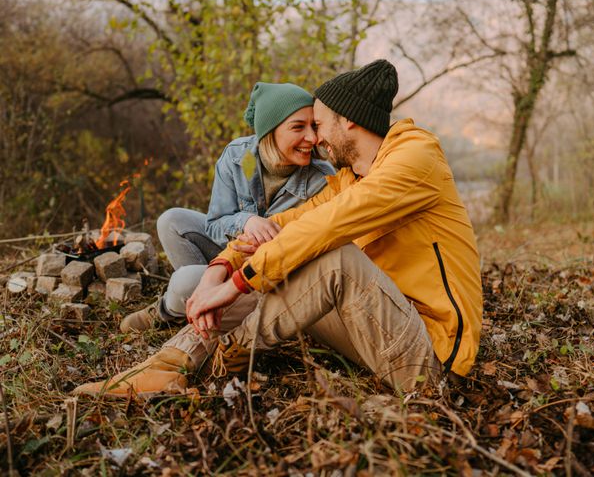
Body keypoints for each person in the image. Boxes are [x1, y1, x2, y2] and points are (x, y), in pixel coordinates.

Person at [75, 59, 483, 398]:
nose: (316, 138)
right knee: (276, 255)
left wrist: (237, 285)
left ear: (349, 122)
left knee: (331, 257)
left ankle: (228, 350)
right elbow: (286, 224)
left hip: (430, 359)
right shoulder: (351, 179)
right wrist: (219, 268)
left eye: (320, 124)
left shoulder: (415, 160)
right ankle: (164, 369)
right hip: (375, 328)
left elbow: (326, 227)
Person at [119, 81, 334, 333]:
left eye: (314, 126)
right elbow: (214, 223)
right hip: (229, 255)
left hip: (265, 274)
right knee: (170, 220)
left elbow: (311, 250)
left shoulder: (322, 179)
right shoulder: (237, 156)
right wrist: (245, 221)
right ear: (270, 131)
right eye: (298, 127)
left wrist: (265, 245)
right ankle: (201, 304)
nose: (312, 138)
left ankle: (168, 310)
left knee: (184, 279)